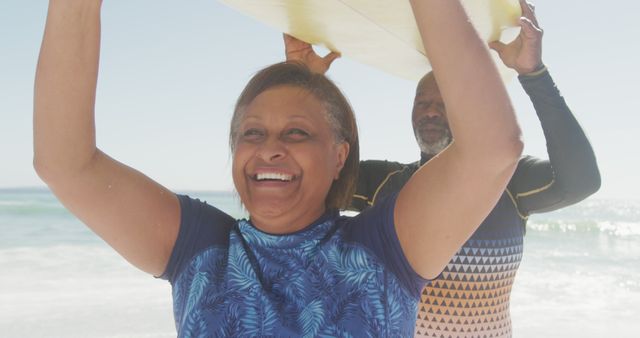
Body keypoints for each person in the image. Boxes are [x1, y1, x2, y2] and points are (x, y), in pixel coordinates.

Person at [34, 0, 523, 336]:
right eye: (252, 133)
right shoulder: (200, 247)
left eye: (296, 134)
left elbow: (491, 149)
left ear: (339, 157)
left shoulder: (382, 251)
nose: (269, 149)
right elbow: (65, 163)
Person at [285, 0, 600, 337]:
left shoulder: (507, 179)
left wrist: (534, 74)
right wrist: (303, 85)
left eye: (443, 103)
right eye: (422, 103)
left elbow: (580, 181)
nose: (430, 112)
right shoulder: (383, 184)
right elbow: (298, 184)